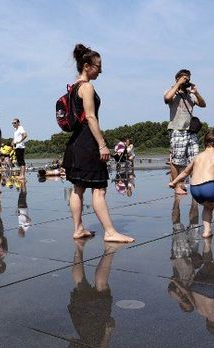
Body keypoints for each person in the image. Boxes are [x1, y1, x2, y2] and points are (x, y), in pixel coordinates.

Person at [62, 44, 134, 243]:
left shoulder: (72, 88)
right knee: (99, 189)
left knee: (78, 188)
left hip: (75, 145)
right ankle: (110, 232)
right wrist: (102, 144)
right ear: (86, 66)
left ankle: (78, 229)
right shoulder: (87, 87)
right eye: (98, 66)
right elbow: (91, 117)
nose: (100, 70)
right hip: (87, 144)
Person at [164, 69, 207, 195]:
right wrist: (178, 84)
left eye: (188, 79)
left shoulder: (190, 95)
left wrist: (196, 92)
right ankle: (177, 185)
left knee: (194, 159)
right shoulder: (172, 92)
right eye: (184, 78)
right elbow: (167, 98)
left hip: (191, 131)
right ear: (177, 78)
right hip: (177, 129)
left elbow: (203, 104)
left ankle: (193, 183)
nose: (186, 81)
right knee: (177, 161)